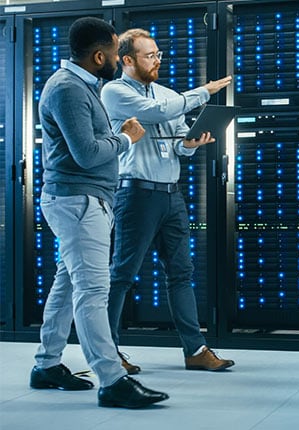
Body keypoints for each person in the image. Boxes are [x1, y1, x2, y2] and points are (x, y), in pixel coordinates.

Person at [30, 17, 169, 409]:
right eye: (112, 53)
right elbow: (88, 155)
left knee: (68, 286)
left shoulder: (81, 86)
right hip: (78, 201)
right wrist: (126, 138)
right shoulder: (69, 89)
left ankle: (46, 364)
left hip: (83, 201)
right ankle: (113, 380)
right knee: (93, 290)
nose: (117, 60)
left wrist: (114, 135)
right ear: (97, 55)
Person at [101, 28, 235, 374]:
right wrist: (203, 92)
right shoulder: (115, 91)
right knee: (123, 275)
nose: (157, 60)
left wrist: (189, 145)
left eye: (159, 54)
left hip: (171, 195)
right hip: (136, 194)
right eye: (150, 55)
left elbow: (174, 137)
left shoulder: (166, 93)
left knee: (181, 273)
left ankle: (196, 350)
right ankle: (108, 352)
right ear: (127, 60)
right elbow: (159, 113)